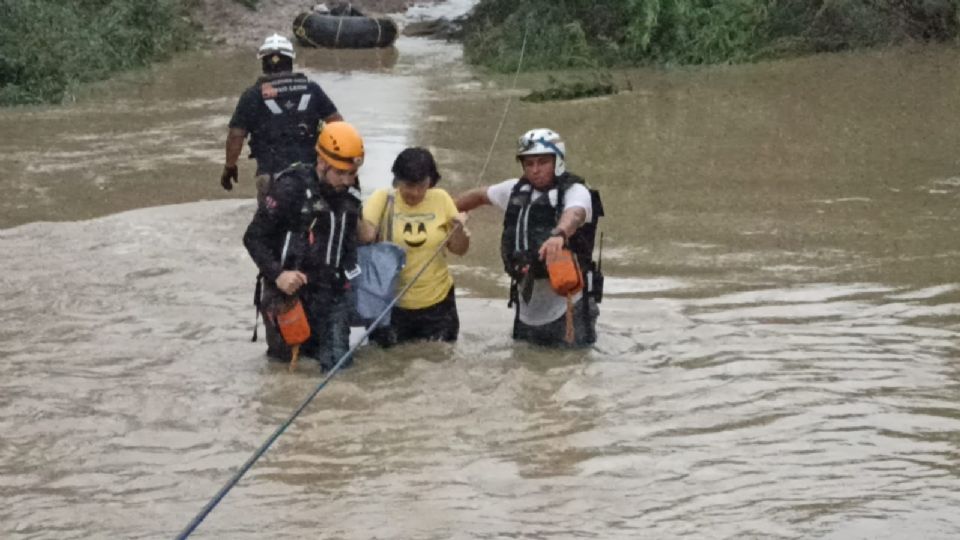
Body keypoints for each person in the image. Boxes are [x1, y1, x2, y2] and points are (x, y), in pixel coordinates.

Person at [455, 128, 603, 347]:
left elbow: (575, 214)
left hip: (569, 307)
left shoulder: (575, 191)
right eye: (529, 163)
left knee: (570, 371)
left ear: (557, 161)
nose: (535, 170)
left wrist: (559, 235)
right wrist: (441, 212)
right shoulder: (514, 191)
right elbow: (478, 196)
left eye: (542, 162)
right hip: (526, 307)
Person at [243, 121, 365, 370]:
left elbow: (352, 236)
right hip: (289, 295)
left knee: (339, 368)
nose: (347, 180)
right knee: (286, 370)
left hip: (332, 294)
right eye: (340, 173)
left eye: (352, 173)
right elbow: (253, 237)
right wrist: (278, 275)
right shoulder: (290, 188)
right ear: (322, 162)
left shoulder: (351, 191)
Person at [359, 147, 470, 345]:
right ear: (397, 180)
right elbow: (365, 236)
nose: (416, 192)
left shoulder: (441, 199)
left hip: (438, 305)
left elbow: (459, 249)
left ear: (431, 181)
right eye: (409, 185)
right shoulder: (382, 199)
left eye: (422, 185)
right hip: (391, 307)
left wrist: (459, 230)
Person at [220, 33, 343, 201]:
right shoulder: (312, 89)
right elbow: (338, 125)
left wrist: (229, 167)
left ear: (263, 63)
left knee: (268, 224)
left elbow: (236, 135)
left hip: (271, 177)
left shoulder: (252, 95)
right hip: (311, 173)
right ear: (291, 61)